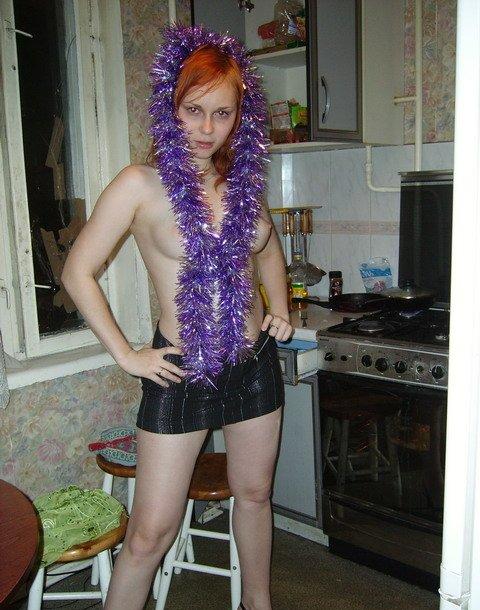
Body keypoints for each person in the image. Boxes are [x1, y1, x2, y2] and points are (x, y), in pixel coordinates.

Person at [61, 24, 292, 610]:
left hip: (253, 365)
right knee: (149, 534)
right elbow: (77, 272)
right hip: (178, 370)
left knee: (255, 495)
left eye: (222, 113)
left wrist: (281, 309)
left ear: (239, 116)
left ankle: (258, 604)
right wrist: (126, 355)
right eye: (194, 110)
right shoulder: (139, 185)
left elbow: (267, 248)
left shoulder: (242, 184)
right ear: (171, 106)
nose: (207, 129)